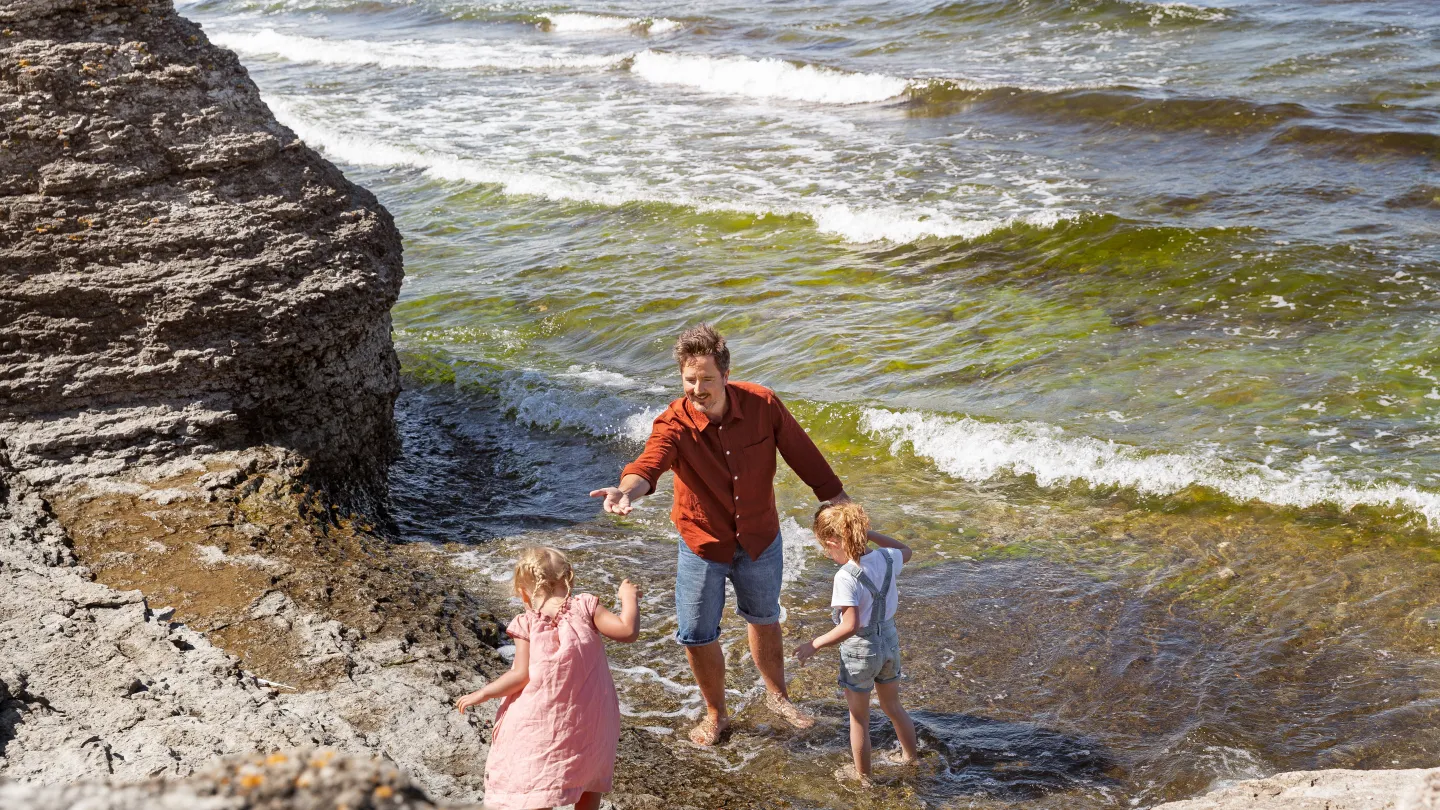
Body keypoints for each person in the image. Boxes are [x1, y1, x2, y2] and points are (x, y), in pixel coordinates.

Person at [589, 323, 852, 746]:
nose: (697, 388)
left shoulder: (763, 404)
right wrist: (626, 489)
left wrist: (837, 499)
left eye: (706, 379)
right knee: (696, 633)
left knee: (764, 618)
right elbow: (648, 464)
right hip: (702, 542)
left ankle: (778, 696)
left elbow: (803, 453)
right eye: (689, 380)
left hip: (760, 537)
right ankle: (716, 714)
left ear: (726, 375)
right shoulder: (673, 422)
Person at [456, 547, 641, 810]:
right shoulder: (587, 607)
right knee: (588, 777)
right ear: (569, 581)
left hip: (545, 723)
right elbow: (627, 631)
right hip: (591, 719)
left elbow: (519, 676)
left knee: (541, 782)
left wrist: (483, 693)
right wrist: (628, 597)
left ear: (522, 592)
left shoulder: (525, 623)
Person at [795, 501, 918, 786]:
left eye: (827, 549)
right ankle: (910, 757)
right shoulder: (887, 558)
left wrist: (815, 643)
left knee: (859, 717)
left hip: (862, 649)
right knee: (894, 707)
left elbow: (850, 626)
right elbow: (907, 550)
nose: (828, 554)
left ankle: (863, 777)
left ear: (832, 542)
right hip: (889, 640)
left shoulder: (845, 576)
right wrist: (869, 535)